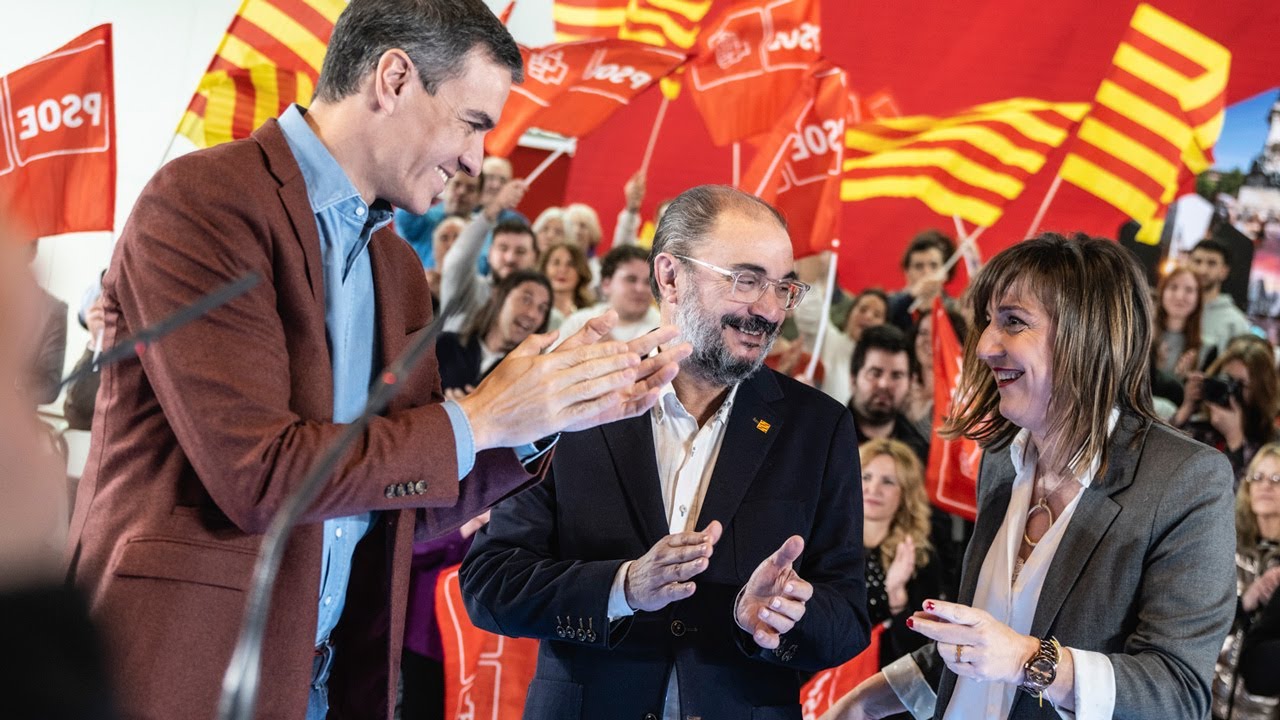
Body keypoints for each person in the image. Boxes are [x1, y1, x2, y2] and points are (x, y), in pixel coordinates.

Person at [63, 2, 690, 718]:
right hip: (183, 668)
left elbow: (397, 503)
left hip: (324, 682)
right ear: (393, 78)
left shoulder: (395, 270)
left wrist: (546, 415)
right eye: (472, 123)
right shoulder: (206, 201)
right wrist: (481, 416)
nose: (475, 160)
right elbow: (260, 476)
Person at [460, 185, 870, 720]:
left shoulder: (818, 427)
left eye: (784, 288)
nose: (770, 311)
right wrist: (622, 587)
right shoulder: (575, 399)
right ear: (670, 275)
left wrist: (779, 616)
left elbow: (846, 621)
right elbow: (491, 582)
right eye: (746, 281)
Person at [821, 232, 1237, 720]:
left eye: (1013, 323)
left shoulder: (1185, 480)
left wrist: (1028, 661)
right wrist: (863, 703)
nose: (984, 348)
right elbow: (981, 647)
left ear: (1087, 335)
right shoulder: (1001, 459)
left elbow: (1176, 694)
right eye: (988, 323)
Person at [859, 439, 946, 673]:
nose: (873, 489)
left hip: (877, 686)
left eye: (887, 481)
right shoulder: (823, 542)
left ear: (905, 493)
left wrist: (896, 594)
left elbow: (917, 652)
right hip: (811, 684)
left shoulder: (920, 558)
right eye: (866, 477)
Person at [1212, 443, 1280, 719]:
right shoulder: (1225, 546)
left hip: (1265, 708)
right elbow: (1198, 622)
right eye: (1257, 477)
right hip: (1212, 701)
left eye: (1276, 479)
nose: (1265, 486)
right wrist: (1245, 601)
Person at [1173, 340, 1280, 482]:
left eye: (1240, 384)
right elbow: (1158, 458)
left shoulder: (1271, 442)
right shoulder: (1199, 428)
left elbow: (1247, 496)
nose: (1229, 389)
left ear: (1260, 391)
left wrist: (1235, 438)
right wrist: (1186, 410)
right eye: (1226, 379)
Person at [435, 269, 552, 396]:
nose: (532, 314)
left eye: (542, 309)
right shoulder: (445, 346)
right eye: (526, 300)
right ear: (499, 296)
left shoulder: (528, 377)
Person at [440, 211, 538, 332]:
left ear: (535, 257)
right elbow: (456, 263)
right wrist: (488, 214)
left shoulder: (541, 310)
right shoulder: (469, 290)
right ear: (489, 253)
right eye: (503, 248)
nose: (510, 258)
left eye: (520, 251)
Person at [848, 324, 929, 463]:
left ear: (911, 382)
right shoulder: (827, 439)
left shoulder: (919, 454)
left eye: (896, 375)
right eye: (875, 373)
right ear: (853, 378)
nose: (884, 384)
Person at [556, 244, 661, 344]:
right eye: (631, 279)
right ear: (606, 284)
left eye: (648, 282)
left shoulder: (662, 329)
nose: (640, 288)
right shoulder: (579, 323)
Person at [394, 171, 479, 268]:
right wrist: (426, 188)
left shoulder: (483, 234)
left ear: (480, 196)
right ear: (445, 186)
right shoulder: (425, 220)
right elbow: (406, 208)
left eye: (471, 189)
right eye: (456, 184)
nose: (462, 192)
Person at [818, 289, 889, 406]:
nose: (868, 316)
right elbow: (810, 311)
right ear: (849, 313)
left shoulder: (885, 364)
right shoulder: (828, 338)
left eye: (877, 315)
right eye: (863, 309)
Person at [886, 230, 959, 332]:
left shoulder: (955, 310)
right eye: (919, 266)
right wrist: (910, 297)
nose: (927, 272)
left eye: (934, 265)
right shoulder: (891, 303)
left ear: (945, 273)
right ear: (907, 272)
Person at [1191, 239, 1253, 355]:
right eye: (1197, 261)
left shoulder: (1236, 322)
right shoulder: (1173, 308)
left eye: (1212, 263)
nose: (1202, 270)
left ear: (1224, 271)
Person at [1154, 265, 1206, 378]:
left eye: (1189, 290)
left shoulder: (1206, 348)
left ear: (1198, 298)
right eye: (1173, 287)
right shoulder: (1142, 336)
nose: (1180, 296)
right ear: (1162, 291)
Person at [539, 241, 594, 329]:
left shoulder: (590, 314)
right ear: (544, 269)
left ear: (581, 272)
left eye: (571, 264)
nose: (562, 270)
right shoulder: (533, 311)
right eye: (556, 263)